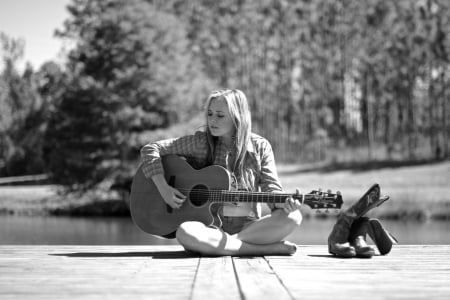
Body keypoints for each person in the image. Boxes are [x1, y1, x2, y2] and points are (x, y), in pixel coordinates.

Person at [140, 89, 302, 256]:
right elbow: (151, 149)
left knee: (294, 217)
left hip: (250, 228)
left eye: (220, 115)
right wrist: (163, 187)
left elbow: (271, 189)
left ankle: (225, 245)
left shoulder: (260, 147)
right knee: (185, 232)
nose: (212, 120)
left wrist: (284, 203)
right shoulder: (200, 143)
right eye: (210, 114)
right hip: (210, 229)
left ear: (237, 116)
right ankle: (262, 249)